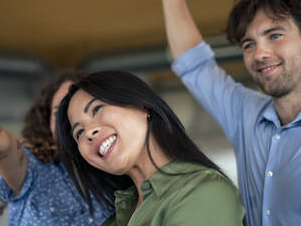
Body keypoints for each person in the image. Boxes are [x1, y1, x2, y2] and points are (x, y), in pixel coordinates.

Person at [158, 0, 301, 225]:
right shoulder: (247, 114)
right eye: (248, 44)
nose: (259, 54)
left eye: (275, 35)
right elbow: (193, 64)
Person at [0, 50, 113, 226]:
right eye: (60, 111)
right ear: (46, 125)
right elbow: (1, 147)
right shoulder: (35, 171)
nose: (70, 120)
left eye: (80, 110)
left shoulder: (120, 180)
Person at [55, 70, 245, 226]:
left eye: (97, 109)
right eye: (78, 132)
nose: (88, 132)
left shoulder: (204, 191)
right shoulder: (118, 216)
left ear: (141, 105)